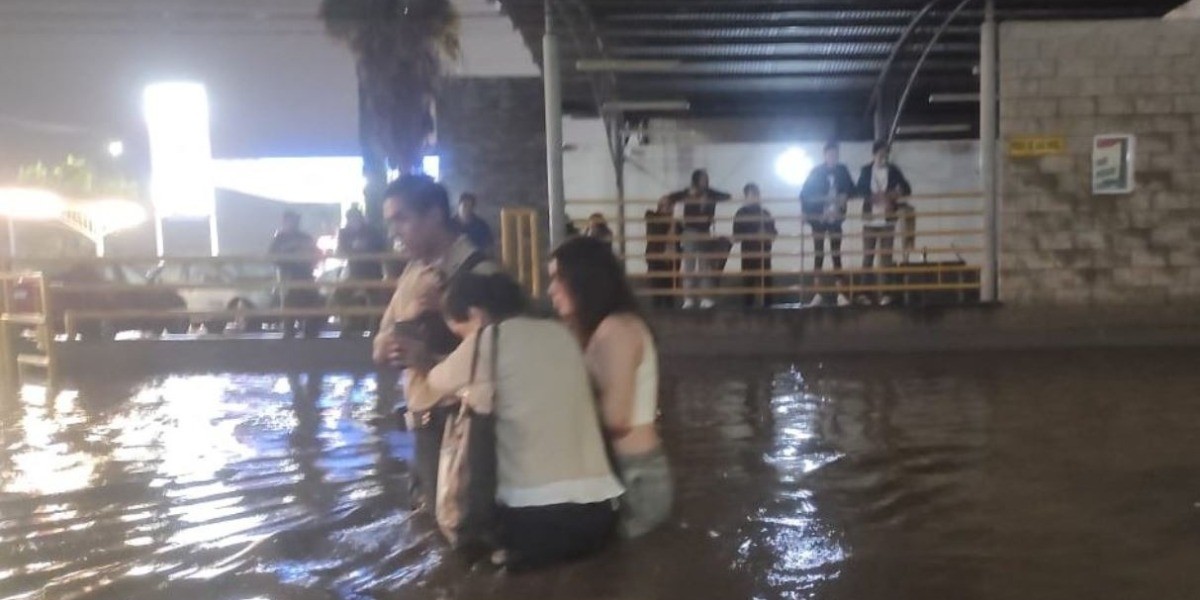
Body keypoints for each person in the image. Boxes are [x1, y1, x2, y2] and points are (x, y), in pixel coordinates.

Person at [406, 272, 623, 570]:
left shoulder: (489, 339)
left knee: (430, 428)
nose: (465, 342)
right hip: (600, 517)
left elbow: (427, 390)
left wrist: (416, 362)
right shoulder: (561, 334)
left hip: (534, 523)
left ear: (476, 314)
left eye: (462, 334)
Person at [372, 175, 497, 508]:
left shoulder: (480, 274)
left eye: (402, 219)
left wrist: (429, 359)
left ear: (435, 215)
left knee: (459, 522)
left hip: (464, 429)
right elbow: (381, 340)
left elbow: (497, 361)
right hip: (421, 426)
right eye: (390, 222)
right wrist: (388, 345)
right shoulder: (412, 273)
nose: (394, 232)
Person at [549, 237, 673, 539]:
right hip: (628, 473)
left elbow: (617, 419)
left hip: (634, 477)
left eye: (558, 278)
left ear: (584, 279)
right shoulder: (606, 328)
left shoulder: (616, 330)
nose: (551, 290)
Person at [664, 169, 731, 309]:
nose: (706, 181)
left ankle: (705, 298)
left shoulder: (710, 193)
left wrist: (709, 198)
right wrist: (691, 196)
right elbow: (670, 197)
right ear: (696, 180)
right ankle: (688, 299)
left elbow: (726, 196)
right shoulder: (687, 192)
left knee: (705, 266)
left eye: (706, 179)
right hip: (690, 231)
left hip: (705, 231)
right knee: (689, 266)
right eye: (703, 179)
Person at [856, 141, 913, 306]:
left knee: (887, 258)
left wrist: (893, 194)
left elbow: (907, 188)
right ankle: (864, 293)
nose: (883, 158)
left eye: (886, 155)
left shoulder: (893, 170)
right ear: (874, 155)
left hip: (888, 221)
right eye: (880, 154)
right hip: (870, 221)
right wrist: (874, 197)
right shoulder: (866, 170)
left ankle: (886, 294)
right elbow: (859, 189)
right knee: (868, 257)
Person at [800, 142, 855, 307]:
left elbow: (852, 189)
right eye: (830, 154)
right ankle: (817, 293)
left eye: (835, 155)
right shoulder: (816, 172)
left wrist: (844, 196)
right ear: (825, 155)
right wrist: (806, 212)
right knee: (819, 254)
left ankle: (841, 293)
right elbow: (804, 194)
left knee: (836, 254)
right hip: (819, 218)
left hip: (836, 217)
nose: (833, 157)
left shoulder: (842, 170)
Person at [334, 205, 388, 335]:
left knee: (376, 301)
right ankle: (347, 324)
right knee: (339, 294)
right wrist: (353, 249)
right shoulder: (345, 233)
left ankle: (375, 329)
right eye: (351, 219)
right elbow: (340, 252)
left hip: (373, 273)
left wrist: (366, 249)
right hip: (355, 273)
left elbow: (383, 249)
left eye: (356, 218)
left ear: (361, 218)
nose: (354, 222)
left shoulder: (372, 232)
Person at [268, 210, 322, 338]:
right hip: (288, 274)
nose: (293, 223)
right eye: (290, 220)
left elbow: (316, 253)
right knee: (289, 301)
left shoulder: (305, 237)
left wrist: (310, 259)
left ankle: (310, 328)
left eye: (295, 220)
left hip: (305, 273)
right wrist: (287, 254)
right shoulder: (280, 238)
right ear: (285, 222)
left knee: (312, 300)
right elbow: (272, 256)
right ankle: (289, 329)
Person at [732, 183, 778, 308]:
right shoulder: (741, 213)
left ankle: (768, 310)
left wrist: (766, 234)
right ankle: (748, 310)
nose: (755, 197)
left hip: (764, 253)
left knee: (766, 283)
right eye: (752, 194)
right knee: (748, 283)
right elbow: (736, 236)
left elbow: (773, 233)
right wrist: (753, 235)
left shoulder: (765, 213)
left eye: (756, 194)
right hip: (749, 253)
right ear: (746, 196)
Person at [644, 197, 681, 309]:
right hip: (656, 257)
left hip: (671, 260)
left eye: (671, 205)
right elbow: (658, 231)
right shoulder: (652, 216)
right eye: (666, 205)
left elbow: (677, 236)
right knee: (657, 290)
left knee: (670, 293)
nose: (670, 208)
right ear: (659, 207)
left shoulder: (676, 223)